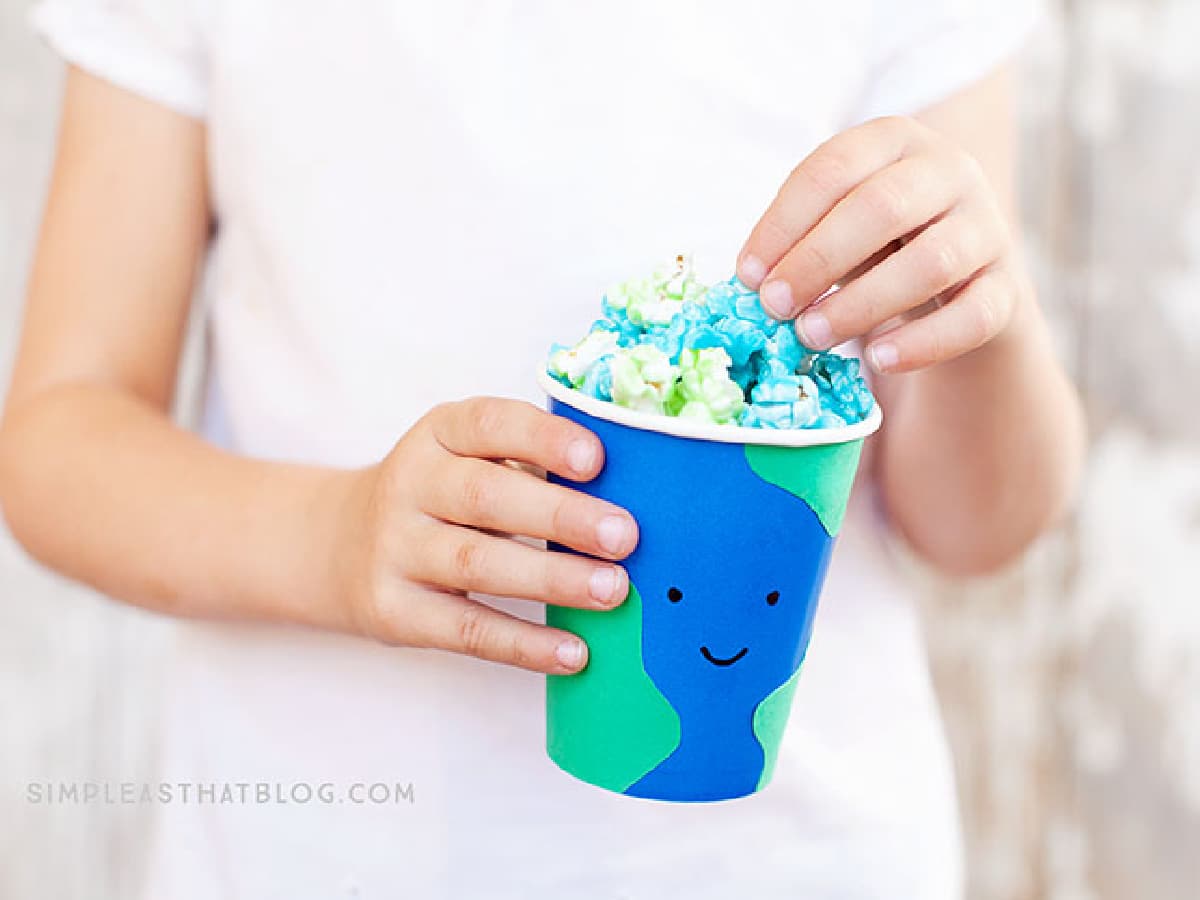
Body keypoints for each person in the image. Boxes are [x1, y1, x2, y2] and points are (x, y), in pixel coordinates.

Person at [0, 1, 1083, 897]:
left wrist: (984, 320)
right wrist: (333, 540)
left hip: (790, 858)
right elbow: (61, 432)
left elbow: (976, 527)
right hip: (316, 851)